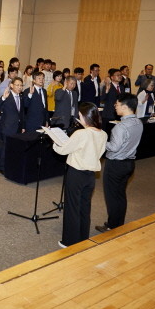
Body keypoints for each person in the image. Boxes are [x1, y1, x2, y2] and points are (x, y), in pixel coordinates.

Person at [52, 102, 107, 248]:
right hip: (90, 176)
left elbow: (62, 150)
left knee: (72, 207)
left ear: (83, 116)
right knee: (84, 206)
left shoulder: (81, 133)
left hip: (76, 174)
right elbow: (99, 153)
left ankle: (69, 241)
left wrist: (55, 142)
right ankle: (83, 237)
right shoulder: (103, 134)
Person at [95, 93, 143, 233]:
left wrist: (102, 141)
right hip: (130, 164)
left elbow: (114, 147)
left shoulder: (120, 127)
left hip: (116, 165)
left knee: (112, 197)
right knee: (120, 195)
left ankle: (111, 226)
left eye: (117, 104)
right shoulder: (138, 122)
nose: (115, 106)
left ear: (124, 106)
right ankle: (118, 223)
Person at [0, 77, 25, 172]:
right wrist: (3, 98)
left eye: (21, 85)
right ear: (11, 86)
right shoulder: (7, 96)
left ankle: (11, 165)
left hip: (18, 128)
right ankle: (2, 168)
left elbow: (22, 113)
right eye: (17, 85)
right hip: (7, 127)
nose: (19, 87)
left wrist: (23, 126)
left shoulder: (21, 97)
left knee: (14, 148)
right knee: (5, 148)